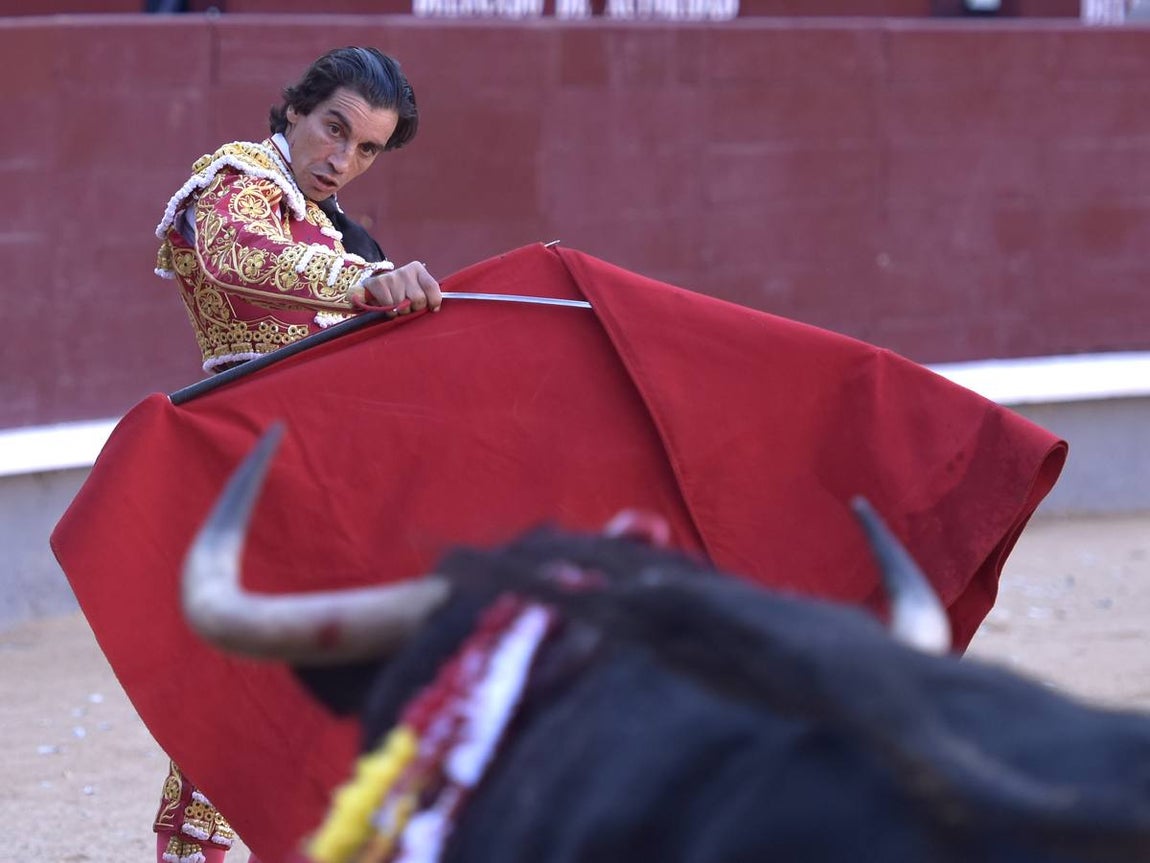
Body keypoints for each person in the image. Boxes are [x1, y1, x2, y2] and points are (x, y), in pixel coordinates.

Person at [151, 46, 440, 863]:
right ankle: (195, 848)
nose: (340, 160)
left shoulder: (342, 232)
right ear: (293, 113)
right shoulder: (236, 180)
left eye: (367, 148)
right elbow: (237, 257)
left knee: (318, 675)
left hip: (325, 470)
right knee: (246, 671)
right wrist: (362, 282)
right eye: (332, 128)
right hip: (246, 460)